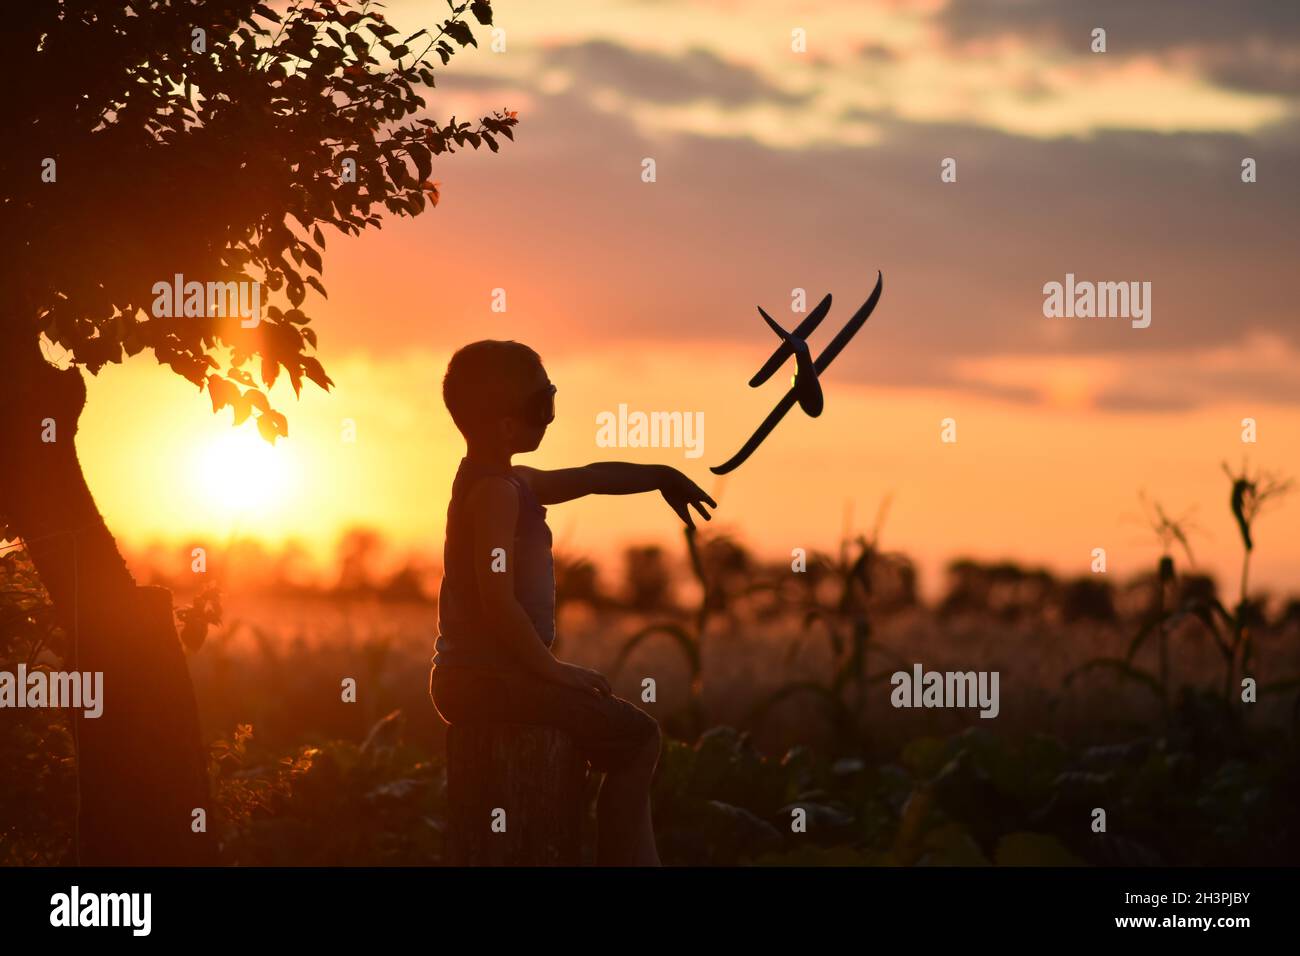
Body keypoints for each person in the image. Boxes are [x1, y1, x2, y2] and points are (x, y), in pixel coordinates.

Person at [429, 340, 716, 866]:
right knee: (637, 739)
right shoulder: (495, 493)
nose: (552, 416)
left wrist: (658, 476)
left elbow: (588, 478)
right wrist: (554, 673)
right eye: (544, 404)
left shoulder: (511, 482)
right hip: (485, 679)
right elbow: (497, 604)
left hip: (488, 677)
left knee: (612, 739)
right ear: (506, 426)